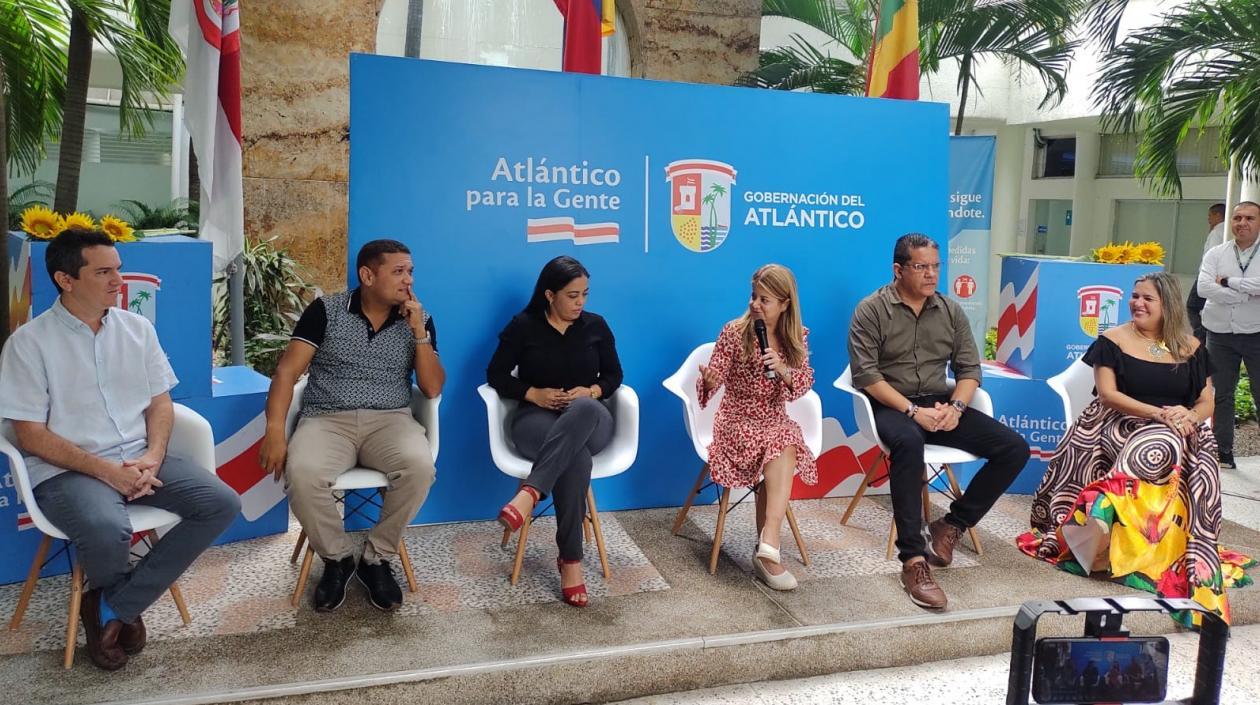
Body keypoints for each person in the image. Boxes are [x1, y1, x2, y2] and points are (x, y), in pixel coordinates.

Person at [0, 229, 240, 671]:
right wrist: (109, 472)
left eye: (118, 269)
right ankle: (120, 611)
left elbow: (160, 403)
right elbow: (30, 436)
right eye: (103, 272)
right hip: (67, 469)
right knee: (108, 527)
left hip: (139, 457)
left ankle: (114, 606)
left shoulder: (137, 328)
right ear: (65, 280)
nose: (118, 280)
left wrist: (153, 456)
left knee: (221, 502)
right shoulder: (28, 344)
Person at [1020, 272, 1254, 627]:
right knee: (1159, 443)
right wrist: (1159, 414)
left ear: (1168, 306)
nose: (1137, 303)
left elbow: (1207, 401)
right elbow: (1108, 395)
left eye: (1147, 299)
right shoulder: (1112, 341)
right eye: (1135, 296)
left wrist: (1190, 416)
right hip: (1119, 421)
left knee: (1178, 443)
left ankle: (1149, 543)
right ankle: (1100, 524)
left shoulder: (1191, 347)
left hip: (1176, 426)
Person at [259, 239, 443, 613]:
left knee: (420, 469)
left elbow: (432, 388)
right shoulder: (326, 311)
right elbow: (287, 372)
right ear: (367, 275)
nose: (408, 280)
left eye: (410, 272)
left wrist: (418, 333)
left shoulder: (419, 320)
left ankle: (377, 559)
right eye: (398, 272)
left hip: (391, 420)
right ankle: (338, 558)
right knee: (303, 473)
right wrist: (275, 430)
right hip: (327, 419)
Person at [848, 233, 1029, 609]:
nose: (931, 274)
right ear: (898, 270)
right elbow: (867, 376)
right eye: (921, 267)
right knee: (909, 441)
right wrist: (913, 413)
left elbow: (969, 370)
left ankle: (951, 525)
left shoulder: (950, 311)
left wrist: (956, 408)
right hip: (890, 405)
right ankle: (913, 560)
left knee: (1014, 448)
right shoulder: (871, 310)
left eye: (935, 266)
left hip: (938, 402)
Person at [488, 256, 623, 607]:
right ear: (549, 295)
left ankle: (531, 492)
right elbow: (496, 375)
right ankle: (571, 562)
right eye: (572, 296)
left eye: (585, 294)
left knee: (585, 409)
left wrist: (591, 391)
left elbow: (614, 376)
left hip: (591, 421)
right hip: (536, 421)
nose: (580, 303)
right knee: (575, 460)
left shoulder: (596, 326)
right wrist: (534, 394)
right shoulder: (523, 326)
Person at [698, 264, 816, 591]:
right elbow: (715, 374)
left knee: (785, 437)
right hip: (736, 419)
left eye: (764, 300)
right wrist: (709, 382)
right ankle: (770, 548)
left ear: (784, 303)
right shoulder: (734, 332)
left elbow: (803, 384)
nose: (755, 304)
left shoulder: (796, 336)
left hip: (773, 418)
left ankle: (768, 542)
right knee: (783, 441)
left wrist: (783, 369)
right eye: (753, 296)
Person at [1198, 200, 1260, 469]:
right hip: (1220, 333)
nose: (1242, 223)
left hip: (1256, 333)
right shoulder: (1217, 253)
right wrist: (1246, 293)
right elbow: (1203, 288)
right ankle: (1223, 453)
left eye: (1249, 218)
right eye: (1237, 218)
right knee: (1222, 394)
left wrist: (1227, 282)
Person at [1186, 202, 1227, 343]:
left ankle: (1201, 334)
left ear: (1218, 215)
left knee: (1192, 305)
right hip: (1218, 277)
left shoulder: (1217, 232)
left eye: (1210, 215)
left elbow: (1211, 256)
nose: (1208, 219)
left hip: (1207, 276)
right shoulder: (1227, 231)